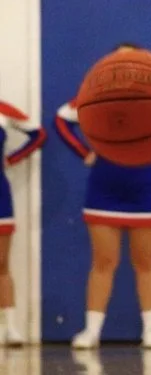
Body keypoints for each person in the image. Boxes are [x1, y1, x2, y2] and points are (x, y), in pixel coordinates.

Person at [54, 43, 151, 350]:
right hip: (105, 185)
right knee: (103, 261)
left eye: (130, 57)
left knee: (147, 261)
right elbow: (61, 119)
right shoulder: (97, 93)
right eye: (118, 58)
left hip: (149, 185)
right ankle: (92, 330)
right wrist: (85, 152)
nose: (125, 62)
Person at [0, 99, 46, 346]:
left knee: (1, 263)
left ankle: (10, 327)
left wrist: (13, 158)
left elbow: (38, 134)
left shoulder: (3, 109)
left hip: (0, 196)